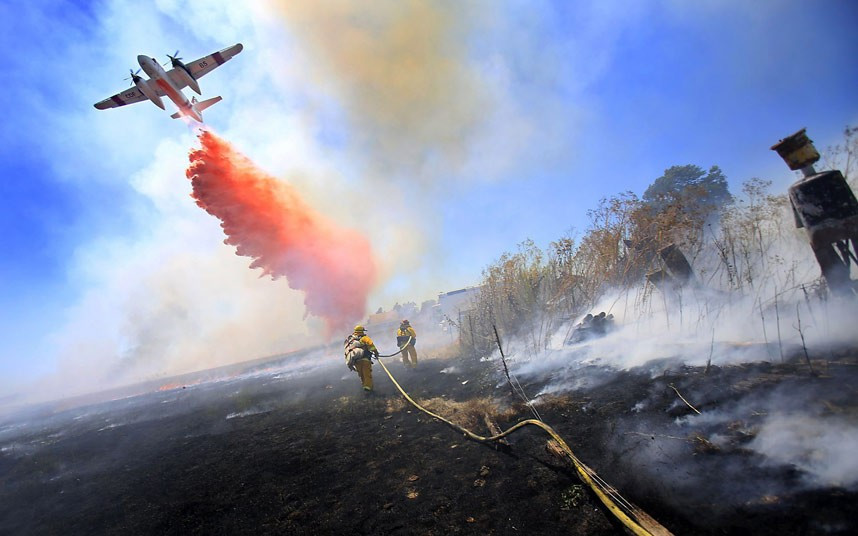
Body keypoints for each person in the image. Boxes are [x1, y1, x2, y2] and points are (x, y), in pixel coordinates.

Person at [344, 325, 379, 392]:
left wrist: (350, 364)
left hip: (356, 361)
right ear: (362, 331)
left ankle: (365, 386)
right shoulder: (364, 338)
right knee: (367, 374)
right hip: (365, 360)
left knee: (362, 375)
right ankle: (369, 389)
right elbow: (371, 345)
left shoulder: (351, 340)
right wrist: (376, 353)